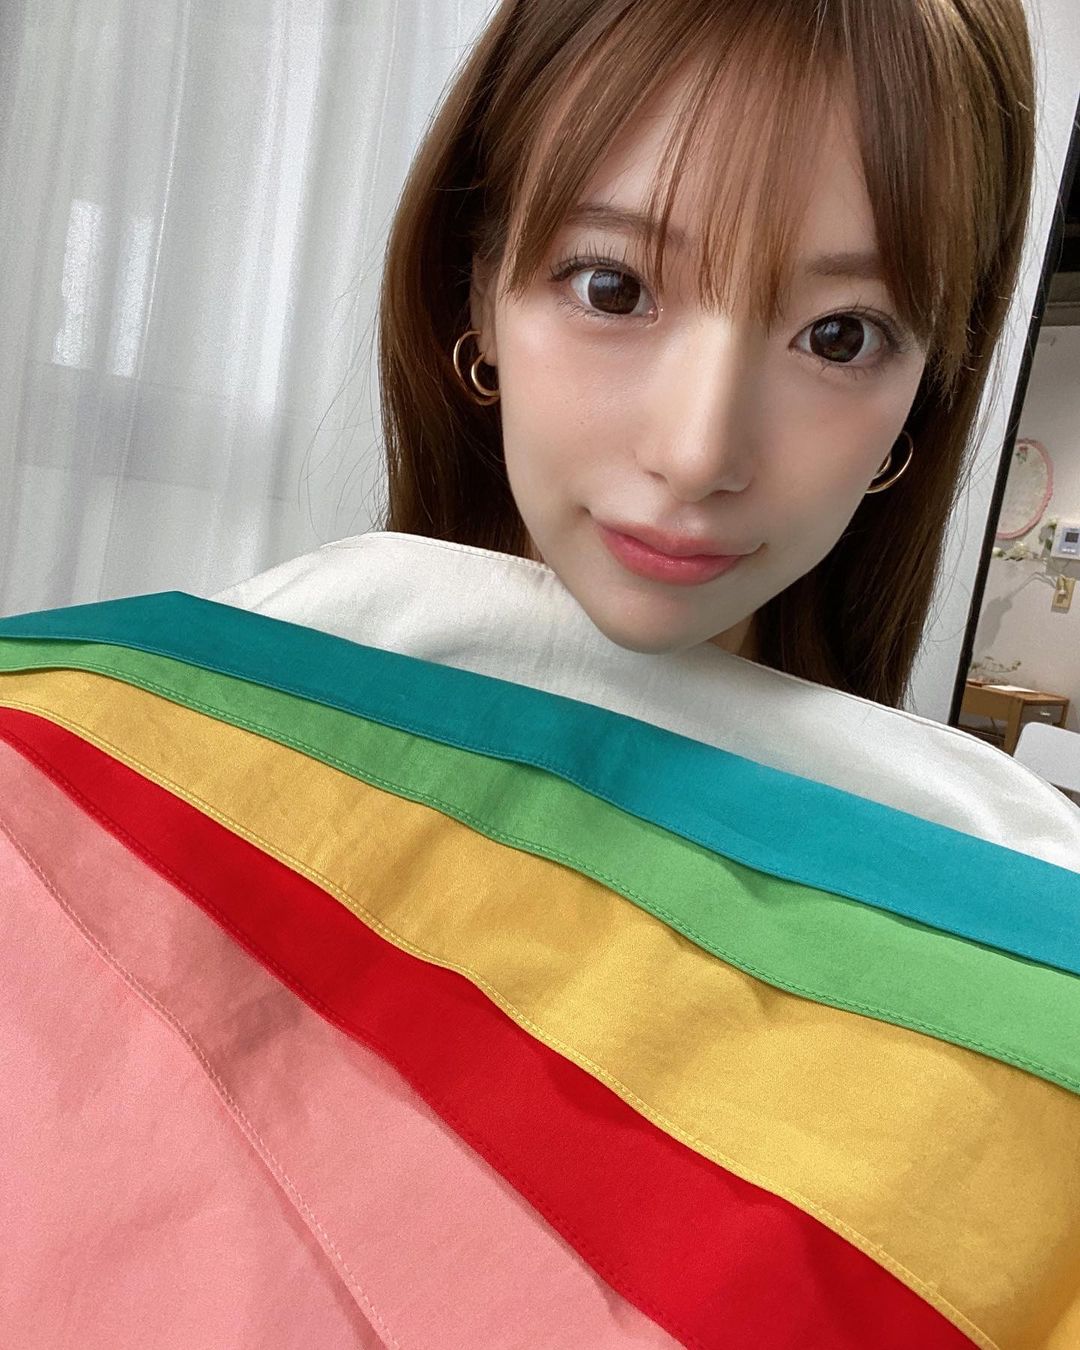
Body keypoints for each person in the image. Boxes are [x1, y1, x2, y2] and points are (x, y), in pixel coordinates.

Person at [1, 2, 1079, 1348]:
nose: (699, 450)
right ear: (477, 289)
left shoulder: (1031, 977)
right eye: (614, 288)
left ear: (928, 386)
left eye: (841, 335)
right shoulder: (72, 754)